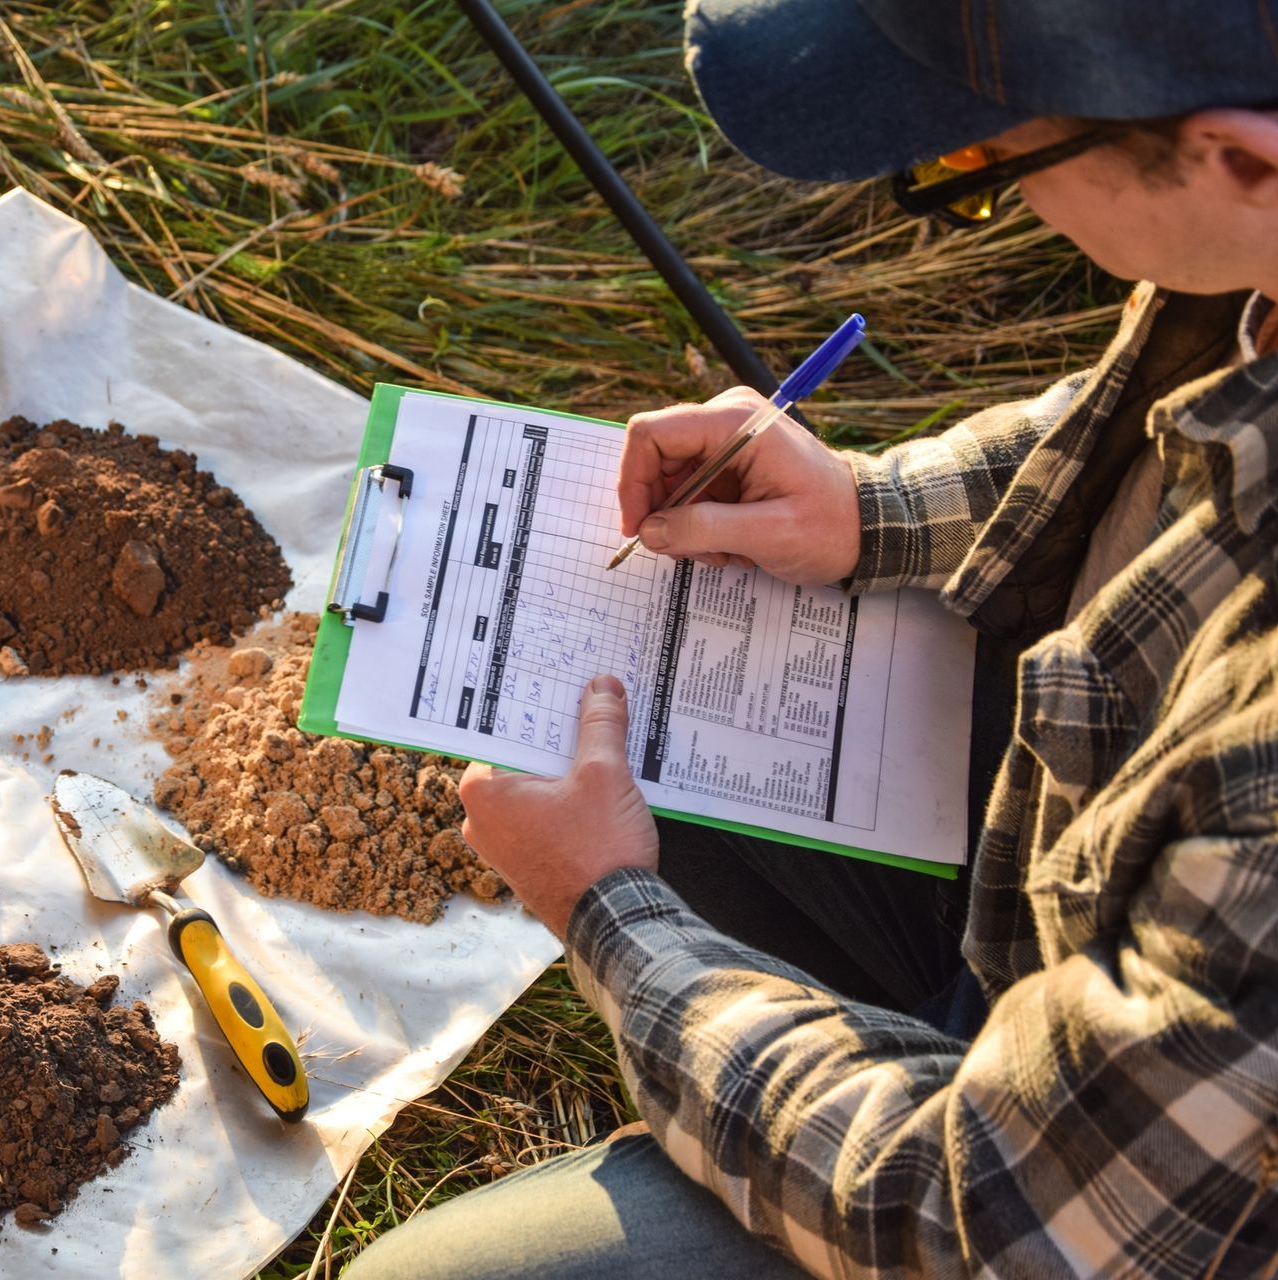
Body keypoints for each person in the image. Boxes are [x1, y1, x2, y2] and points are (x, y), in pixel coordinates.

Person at [345, 1, 1278, 1276]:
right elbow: (1163, 428)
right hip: (1073, 919)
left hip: (1076, 1213)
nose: (970, 182)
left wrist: (612, 917)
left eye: (975, 168)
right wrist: (863, 509)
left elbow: (978, 1221)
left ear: (1241, 158)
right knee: (655, 700)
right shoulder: (1255, 254)